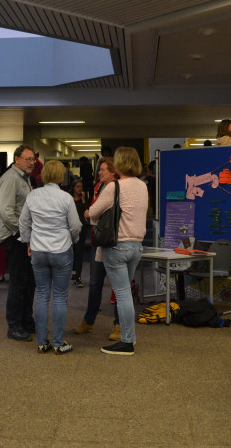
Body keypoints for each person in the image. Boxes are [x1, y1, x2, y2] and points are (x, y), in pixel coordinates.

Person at [86, 147, 148, 356]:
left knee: (122, 295)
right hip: (136, 245)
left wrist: (88, 213)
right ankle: (128, 337)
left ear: (120, 164)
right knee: (125, 293)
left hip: (117, 245)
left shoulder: (114, 187)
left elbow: (94, 212)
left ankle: (127, 341)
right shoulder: (143, 186)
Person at [19, 161, 81, 354]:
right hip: (61, 249)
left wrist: (28, 241)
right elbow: (76, 225)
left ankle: (42, 342)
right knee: (60, 297)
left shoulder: (33, 195)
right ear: (61, 176)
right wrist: (73, 239)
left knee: (43, 295)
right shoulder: (66, 198)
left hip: (38, 250)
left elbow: (23, 222)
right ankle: (59, 343)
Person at [72, 157, 120, 340]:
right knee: (94, 284)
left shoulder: (119, 189)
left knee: (117, 287)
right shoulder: (97, 188)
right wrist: (91, 214)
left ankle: (119, 325)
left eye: (103, 169)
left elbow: (94, 212)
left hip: (113, 242)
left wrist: (91, 214)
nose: (99, 172)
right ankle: (88, 321)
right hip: (97, 242)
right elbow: (92, 213)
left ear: (113, 171)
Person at [0, 144, 36, 341]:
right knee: (18, 284)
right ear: (17, 159)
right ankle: (14, 326)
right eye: (28, 159)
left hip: (25, 238)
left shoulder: (25, 179)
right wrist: (22, 233)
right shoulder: (11, 178)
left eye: (33, 159)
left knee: (29, 282)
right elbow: (5, 211)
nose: (32, 163)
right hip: (16, 237)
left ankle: (26, 322)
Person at [68, 179, 89, 288]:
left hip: (81, 228)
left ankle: (78, 277)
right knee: (71, 251)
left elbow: (87, 212)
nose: (80, 189)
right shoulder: (69, 199)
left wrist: (84, 199)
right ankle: (73, 272)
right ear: (73, 187)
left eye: (81, 186)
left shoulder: (83, 200)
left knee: (79, 252)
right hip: (70, 229)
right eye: (78, 186)